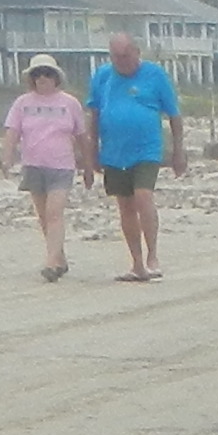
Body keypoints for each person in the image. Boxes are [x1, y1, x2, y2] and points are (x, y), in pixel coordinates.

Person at [86, 32, 185, 279]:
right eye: (116, 57)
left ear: (137, 52)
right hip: (114, 152)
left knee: (143, 197)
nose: (121, 61)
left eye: (126, 56)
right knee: (125, 206)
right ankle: (137, 262)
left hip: (147, 149)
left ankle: (152, 256)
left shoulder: (155, 75)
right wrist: (91, 153)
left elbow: (174, 114)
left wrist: (178, 151)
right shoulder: (103, 76)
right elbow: (94, 116)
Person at [2, 56, 88, 280]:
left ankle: (51, 263)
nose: (42, 78)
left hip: (62, 166)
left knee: (54, 213)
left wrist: (89, 165)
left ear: (56, 77)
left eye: (47, 73)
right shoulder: (23, 103)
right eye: (37, 74)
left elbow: (81, 136)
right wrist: (7, 157)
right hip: (33, 165)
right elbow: (12, 131)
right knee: (43, 215)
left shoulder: (69, 103)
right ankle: (59, 257)